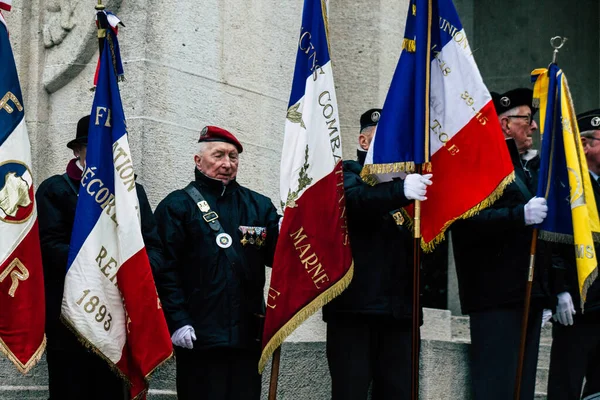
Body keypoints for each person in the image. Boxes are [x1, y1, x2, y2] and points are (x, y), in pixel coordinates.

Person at [36, 115, 164, 400]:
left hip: (118, 322)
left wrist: (136, 272)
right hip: (71, 323)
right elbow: (49, 246)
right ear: (78, 151)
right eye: (94, 146)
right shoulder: (56, 189)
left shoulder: (133, 193)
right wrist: (102, 267)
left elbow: (152, 247)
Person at [153, 125, 280, 400]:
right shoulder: (177, 206)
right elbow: (164, 270)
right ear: (198, 160)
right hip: (199, 336)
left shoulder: (259, 206)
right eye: (218, 155)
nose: (227, 164)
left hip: (248, 336)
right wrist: (177, 321)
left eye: (233, 157)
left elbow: (280, 259)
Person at [322, 108, 433, 400]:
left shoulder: (409, 181)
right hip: (354, 312)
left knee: (400, 392)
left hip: (400, 314)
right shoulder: (346, 172)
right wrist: (401, 191)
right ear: (363, 141)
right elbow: (354, 203)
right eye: (383, 139)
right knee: (351, 391)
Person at [451, 88, 550, 400]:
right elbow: (466, 220)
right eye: (526, 119)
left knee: (520, 387)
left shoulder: (524, 166)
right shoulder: (479, 161)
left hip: (527, 293)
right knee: (496, 387)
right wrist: (519, 214)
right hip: (494, 292)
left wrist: (550, 289)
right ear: (505, 125)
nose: (533, 126)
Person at [547, 109, 600, 400]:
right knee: (565, 387)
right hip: (578, 307)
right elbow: (553, 243)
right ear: (585, 144)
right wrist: (560, 291)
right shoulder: (569, 186)